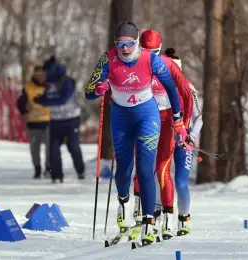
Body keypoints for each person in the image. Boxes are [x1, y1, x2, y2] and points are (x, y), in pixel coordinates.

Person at [85, 21, 189, 245]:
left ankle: (149, 221)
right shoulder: (107, 59)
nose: (125, 49)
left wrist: (179, 120)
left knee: (145, 167)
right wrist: (98, 89)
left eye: (130, 44)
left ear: (137, 42)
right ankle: (124, 203)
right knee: (123, 168)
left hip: (147, 116)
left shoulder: (150, 59)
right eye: (120, 44)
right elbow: (88, 92)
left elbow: (172, 87)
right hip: (121, 118)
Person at [133, 29, 194, 240]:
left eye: (153, 51)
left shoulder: (168, 65)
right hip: (145, 120)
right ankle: (144, 214)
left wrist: (183, 125)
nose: (149, 55)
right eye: (144, 50)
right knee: (142, 168)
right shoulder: (133, 64)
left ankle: (169, 216)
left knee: (162, 169)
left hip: (167, 120)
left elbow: (187, 95)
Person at [165, 48, 203, 236]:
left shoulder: (188, 88)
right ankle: (161, 216)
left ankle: (184, 218)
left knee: (181, 182)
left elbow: (199, 118)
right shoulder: (156, 86)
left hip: (183, 140)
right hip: (164, 138)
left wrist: (191, 136)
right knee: (161, 178)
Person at [34, 56, 85, 183]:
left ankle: (80, 171)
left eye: (45, 72)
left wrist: (46, 102)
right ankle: (56, 176)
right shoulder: (49, 84)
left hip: (71, 120)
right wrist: (41, 100)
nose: (43, 74)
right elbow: (48, 98)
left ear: (51, 70)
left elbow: (63, 100)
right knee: (53, 150)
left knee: (73, 147)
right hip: (55, 121)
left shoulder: (67, 82)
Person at [17, 63, 51, 179]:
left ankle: (48, 168)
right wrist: (24, 112)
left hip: (49, 121)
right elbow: (20, 102)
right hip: (33, 122)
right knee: (34, 148)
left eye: (43, 75)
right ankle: (37, 169)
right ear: (35, 76)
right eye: (39, 76)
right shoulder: (28, 88)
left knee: (50, 147)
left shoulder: (50, 86)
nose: (41, 78)